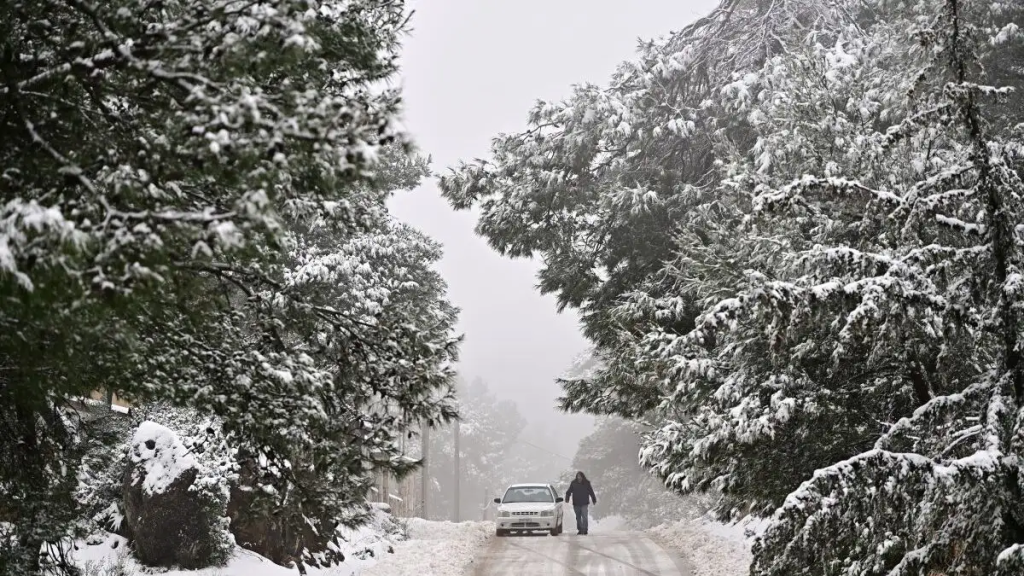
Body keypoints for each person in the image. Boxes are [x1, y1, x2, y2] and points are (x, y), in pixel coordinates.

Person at [564, 471, 597, 535]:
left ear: (582, 476)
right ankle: (580, 529)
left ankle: (585, 529)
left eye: (580, 476)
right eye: (578, 476)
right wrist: (567, 498)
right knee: (578, 517)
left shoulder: (587, 483)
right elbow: (568, 492)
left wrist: (594, 499)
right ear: (576, 477)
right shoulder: (573, 483)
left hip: (584, 503)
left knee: (584, 516)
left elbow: (591, 492)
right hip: (576, 503)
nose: (579, 477)